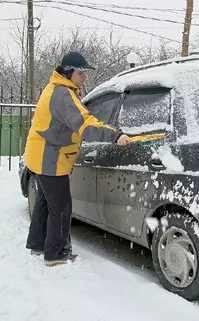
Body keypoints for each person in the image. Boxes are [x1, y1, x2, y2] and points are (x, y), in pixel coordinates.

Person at [24, 52, 131, 267]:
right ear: (67, 72)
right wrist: (115, 135)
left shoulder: (54, 88)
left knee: (45, 203)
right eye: (80, 73)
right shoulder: (63, 95)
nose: (84, 77)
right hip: (51, 159)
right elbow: (86, 124)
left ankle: (37, 244)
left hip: (40, 155)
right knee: (61, 207)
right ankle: (56, 255)